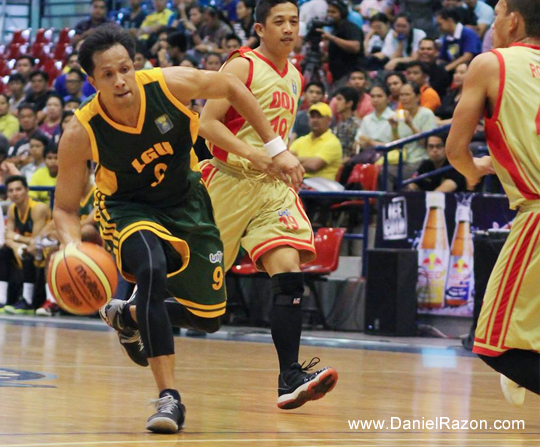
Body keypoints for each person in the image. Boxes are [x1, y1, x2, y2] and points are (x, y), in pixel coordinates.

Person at [54, 23, 290, 434]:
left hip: (187, 203)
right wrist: (72, 247)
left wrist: (275, 149)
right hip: (127, 208)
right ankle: (169, 398)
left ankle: (129, 316)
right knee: (151, 268)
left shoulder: (171, 84)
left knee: (210, 318)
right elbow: (63, 208)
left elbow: (233, 89)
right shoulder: (80, 130)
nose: (120, 80)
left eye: (124, 68)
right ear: (92, 81)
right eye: (107, 75)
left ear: (136, 65)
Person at [200, 0, 338, 411]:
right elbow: (207, 125)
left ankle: (290, 376)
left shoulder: (295, 75)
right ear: (260, 28)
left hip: (270, 189)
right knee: (197, 298)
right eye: (279, 21)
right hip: (227, 181)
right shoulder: (241, 65)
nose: (289, 28)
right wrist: (256, 154)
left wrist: (274, 160)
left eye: (294, 21)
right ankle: (137, 314)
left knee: (289, 274)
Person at [446, 0, 540, 406]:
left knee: (494, 344)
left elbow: (455, 150)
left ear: (513, 20)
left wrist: (474, 168)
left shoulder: (491, 63)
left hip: (536, 213)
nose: (494, 23)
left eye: (498, 13)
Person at [0, 175, 50, 314]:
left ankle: (28, 302)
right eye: (10, 191)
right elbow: (6, 237)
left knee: (29, 252)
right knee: (3, 251)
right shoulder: (12, 209)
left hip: (44, 248)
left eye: (18, 189)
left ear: (27, 190)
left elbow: (35, 240)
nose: (14, 193)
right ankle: (2, 299)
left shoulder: (38, 208)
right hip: (25, 246)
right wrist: (17, 246)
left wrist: (16, 238)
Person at [319, 0, 364, 90]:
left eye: (333, 12)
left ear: (342, 13)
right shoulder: (335, 29)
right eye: (328, 12)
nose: (330, 15)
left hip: (349, 75)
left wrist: (332, 38)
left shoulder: (350, 27)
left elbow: (355, 47)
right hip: (337, 76)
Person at [290, 102, 342, 180]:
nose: (315, 120)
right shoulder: (301, 140)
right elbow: (285, 160)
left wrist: (294, 159)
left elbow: (313, 166)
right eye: (312, 116)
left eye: (319, 117)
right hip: (300, 184)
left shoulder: (333, 142)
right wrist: (306, 160)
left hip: (323, 188)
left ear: (329, 120)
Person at [436, 7, 481, 72]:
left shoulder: (468, 33)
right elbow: (442, 58)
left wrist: (446, 69)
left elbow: (467, 57)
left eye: (440, 24)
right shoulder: (446, 38)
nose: (439, 28)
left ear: (449, 21)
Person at [331, 87, 361, 160]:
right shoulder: (339, 124)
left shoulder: (354, 125)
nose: (336, 102)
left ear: (349, 103)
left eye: (339, 99)